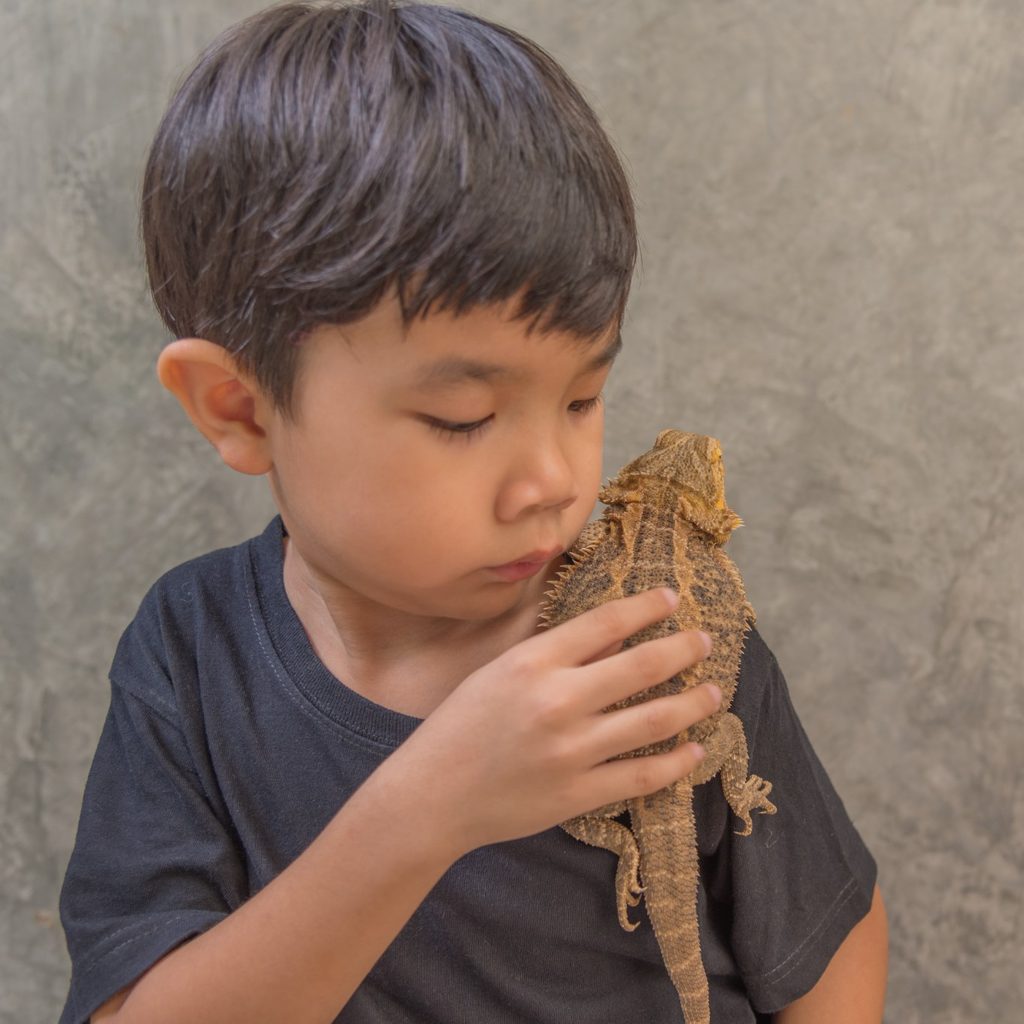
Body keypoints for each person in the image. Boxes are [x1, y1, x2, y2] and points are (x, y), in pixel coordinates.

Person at [58, 2, 887, 1022]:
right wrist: (428, 808)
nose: (550, 476)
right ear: (240, 408)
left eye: (582, 399)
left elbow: (831, 941)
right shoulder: (189, 654)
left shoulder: (655, 642)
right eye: (463, 416)